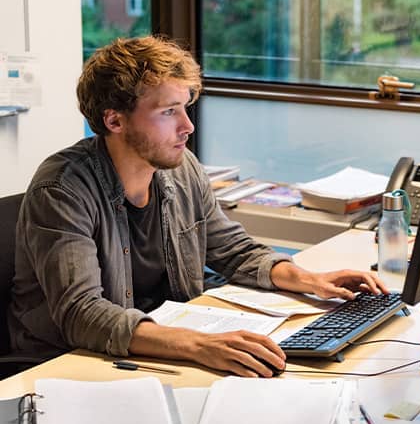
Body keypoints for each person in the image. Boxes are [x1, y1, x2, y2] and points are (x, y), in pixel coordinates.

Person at [8, 35, 386, 377]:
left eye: (186, 108)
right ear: (114, 120)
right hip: (70, 367)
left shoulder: (180, 168)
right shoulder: (62, 190)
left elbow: (232, 250)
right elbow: (82, 314)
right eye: (169, 112)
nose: (188, 127)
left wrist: (309, 280)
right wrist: (198, 345)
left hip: (160, 349)